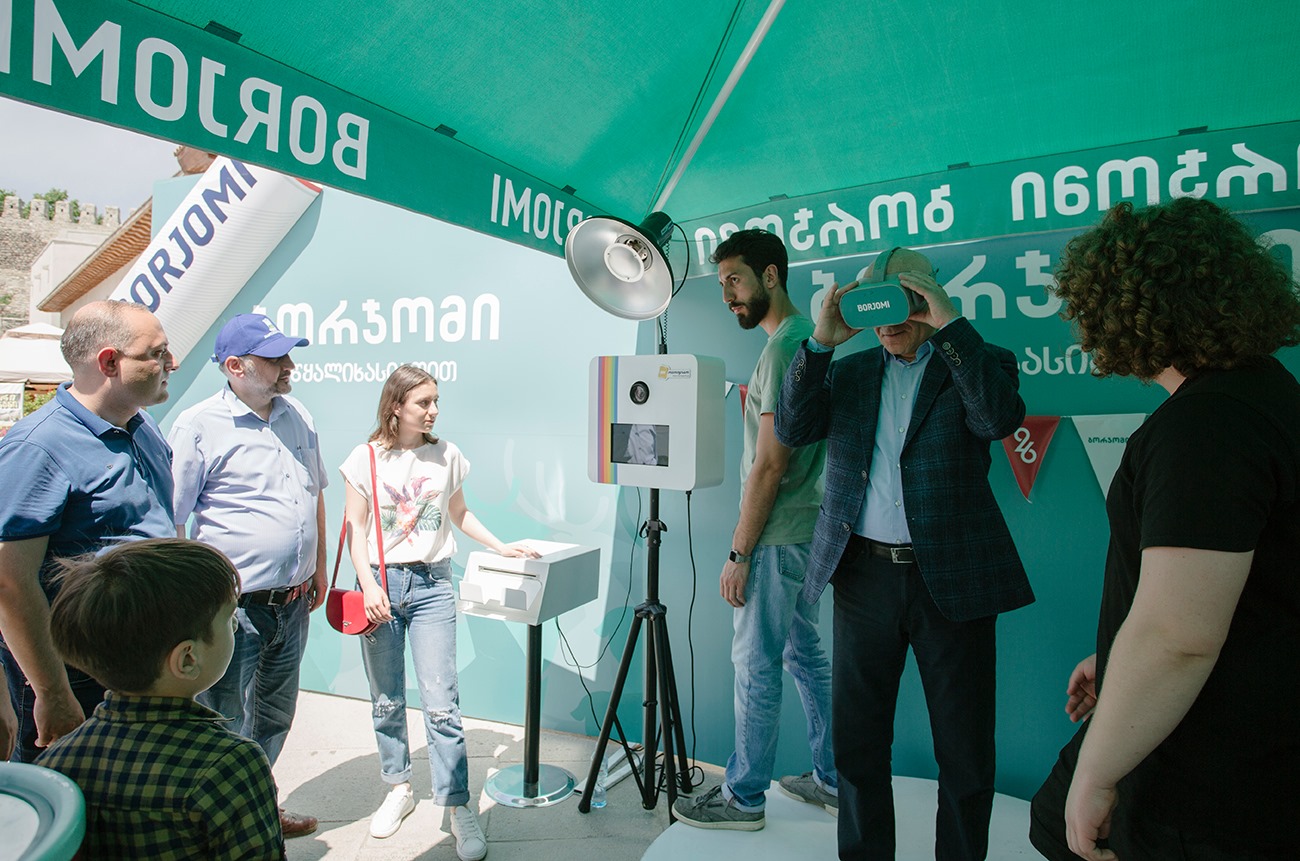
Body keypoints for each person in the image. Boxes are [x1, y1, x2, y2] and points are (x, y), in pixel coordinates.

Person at [1028, 198, 1300, 861]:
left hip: (1204, 780)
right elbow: (1247, 584)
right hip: (1247, 745)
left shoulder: (1204, 428)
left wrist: (1097, 773)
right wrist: (1121, 658)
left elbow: (1178, 636)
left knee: (1062, 827)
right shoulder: (1267, 396)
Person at [775, 247, 1034, 860]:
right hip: (862, 576)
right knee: (858, 745)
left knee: (965, 749)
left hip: (954, 579)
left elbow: (997, 419)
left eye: (902, 305)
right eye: (876, 308)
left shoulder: (980, 359)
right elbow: (791, 427)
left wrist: (948, 324)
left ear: (925, 299)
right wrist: (820, 342)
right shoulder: (850, 371)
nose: (888, 324)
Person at [673, 229, 837, 831]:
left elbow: (770, 464)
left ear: (771, 276)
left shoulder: (786, 347)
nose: (727, 296)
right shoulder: (804, 340)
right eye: (722, 285)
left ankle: (743, 797)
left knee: (755, 664)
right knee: (804, 654)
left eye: (735, 281)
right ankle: (834, 777)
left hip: (774, 537)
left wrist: (739, 552)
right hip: (806, 530)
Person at [340, 364, 538, 859]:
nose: (433, 411)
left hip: (432, 585)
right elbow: (355, 528)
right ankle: (398, 788)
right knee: (386, 697)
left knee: (442, 702)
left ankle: (455, 804)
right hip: (381, 586)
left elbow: (459, 513)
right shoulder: (365, 458)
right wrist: (369, 585)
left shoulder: (446, 454)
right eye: (423, 402)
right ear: (396, 406)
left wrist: (501, 546)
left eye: (435, 401)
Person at [168, 312, 326, 838]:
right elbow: (173, 521)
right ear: (235, 366)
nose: (289, 365)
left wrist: (319, 567)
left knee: (274, 716)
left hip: (293, 604)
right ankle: (216, 828)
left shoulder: (297, 414)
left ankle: (258, 808)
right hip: (233, 611)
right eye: (275, 358)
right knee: (223, 721)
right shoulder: (197, 425)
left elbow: (314, 495)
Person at [0, 300, 176, 763]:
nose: (171, 363)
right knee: (72, 796)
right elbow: (10, 583)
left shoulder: (143, 425)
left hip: (142, 656)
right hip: (79, 671)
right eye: (156, 353)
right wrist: (52, 691)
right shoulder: (36, 447)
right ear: (109, 362)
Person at [36, 538, 284, 860]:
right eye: (228, 618)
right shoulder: (231, 764)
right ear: (187, 659)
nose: (235, 625)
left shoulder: (56, 763)